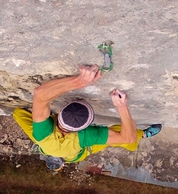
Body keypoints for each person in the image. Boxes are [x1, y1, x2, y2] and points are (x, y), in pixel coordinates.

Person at [13, 64, 161, 168]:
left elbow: (40, 94)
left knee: (18, 113)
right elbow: (128, 138)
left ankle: (42, 115)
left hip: (46, 142)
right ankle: (143, 134)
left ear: (59, 115)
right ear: (87, 127)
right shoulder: (84, 138)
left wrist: (79, 81)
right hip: (73, 153)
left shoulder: (44, 134)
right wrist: (122, 108)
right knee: (128, 139)